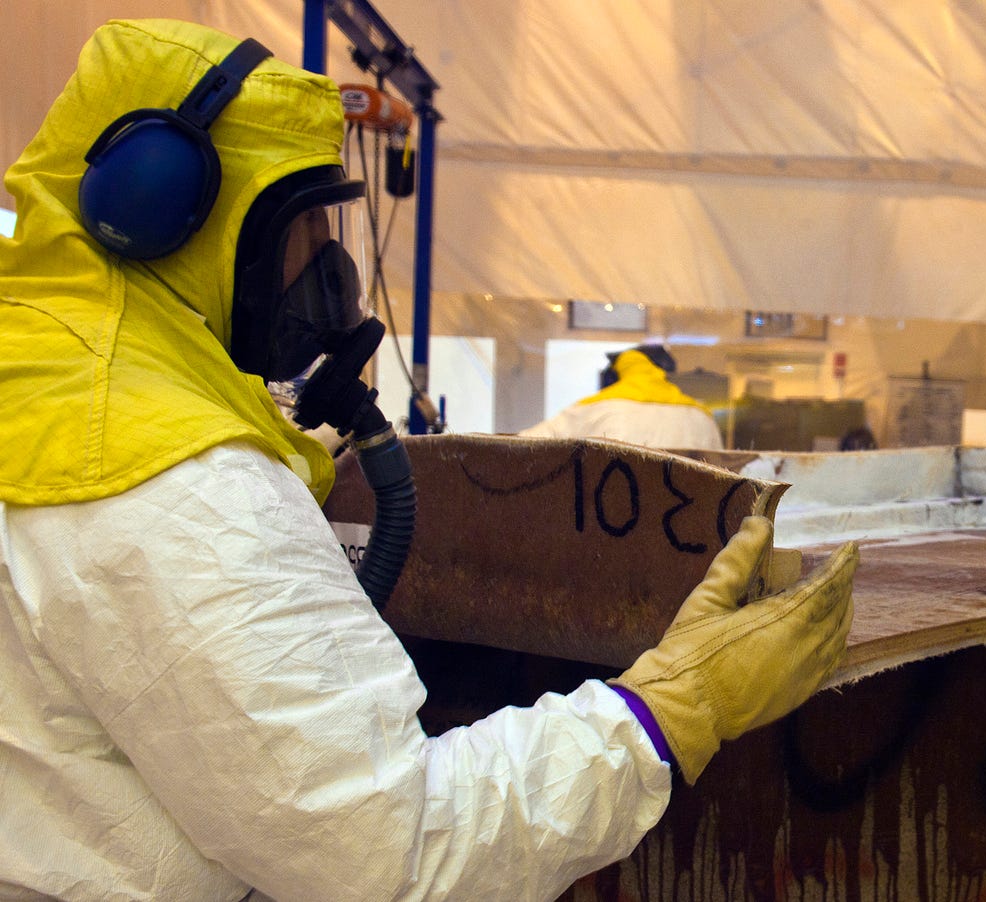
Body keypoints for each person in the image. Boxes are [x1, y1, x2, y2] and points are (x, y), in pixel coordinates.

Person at [0, 19, 856, 901]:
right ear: (152, 211)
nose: (323, 267)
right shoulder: (180, 488)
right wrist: (668, 711)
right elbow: (390, 850)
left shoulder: (41, 388)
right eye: (298, 225)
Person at [521, 344, 726, 449]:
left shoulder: (595, 408)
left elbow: (522, 444)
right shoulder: (701, 417)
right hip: (683, 520)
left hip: (610, 518)